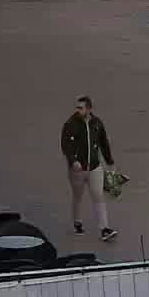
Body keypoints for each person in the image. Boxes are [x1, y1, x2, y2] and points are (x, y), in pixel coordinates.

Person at [60, 96, 118, 242]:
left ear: (89, 109)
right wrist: (73, 161)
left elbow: (104, 143)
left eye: (81, 108)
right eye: (77, 107)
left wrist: (110, 161)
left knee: (98, 196)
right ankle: (77, 222)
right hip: (77, 170)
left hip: (94, 167)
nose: (77, 110)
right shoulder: (70, 124)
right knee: (78, 196)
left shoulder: (97, 123)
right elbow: (65, 145)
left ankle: (104, 229)